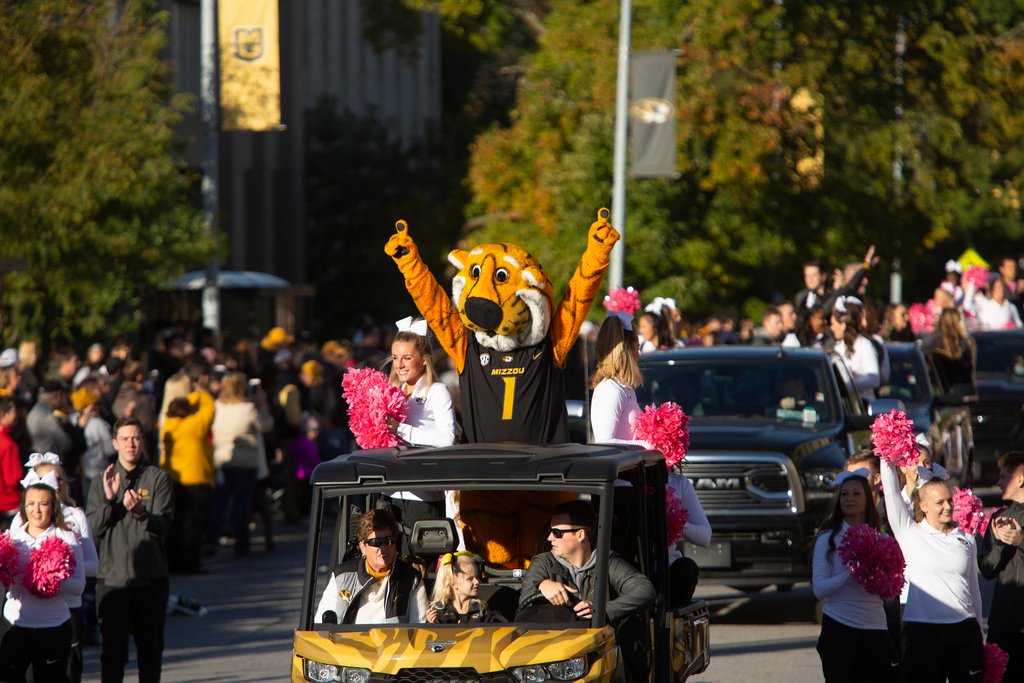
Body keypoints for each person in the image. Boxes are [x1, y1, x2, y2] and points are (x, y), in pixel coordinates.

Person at [588, 314, 711, 605]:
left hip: (634, 490)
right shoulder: (608, 389)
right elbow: (604, 443)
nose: (641, 351)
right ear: (625, 347)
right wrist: (650, 445)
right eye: (636, 344)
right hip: (617, 496)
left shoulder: (625, 388)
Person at [881, 447, 984, 681]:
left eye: (949, 500)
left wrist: (978, 632)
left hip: (964, 630)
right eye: (939, 502)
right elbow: (890, 493)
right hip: (922, 631)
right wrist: (888, 452)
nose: (947, 507)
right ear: (923, 506)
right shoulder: (909, 533)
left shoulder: (966, 538)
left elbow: (974, 590)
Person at [86, 417, 174, 683]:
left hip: (150, 580)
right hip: (112, 581)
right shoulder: (102, 480)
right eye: (124, 439)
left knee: (150, 653)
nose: (130, 444)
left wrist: (140, 512)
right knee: (112, 654)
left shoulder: (157, 478)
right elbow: (92, 529)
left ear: (143, 441)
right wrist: (110, 501)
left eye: (135, 438)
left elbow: (163, 527)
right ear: (115, 443)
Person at [11, 454, 99, 683]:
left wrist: (54, 577)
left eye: (57, 478)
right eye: (31, 504)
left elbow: (85, 576)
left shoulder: (69, 531)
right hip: (17, 622)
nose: (36, 509)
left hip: (59, 618)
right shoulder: (15, 534)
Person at [812, 470, 898, 682]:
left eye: (856, 494)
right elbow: (819, 589)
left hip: (875, 628)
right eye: (844, 494)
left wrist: (880, 577)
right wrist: (851, 571)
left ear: (867, 501)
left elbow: (889, 594)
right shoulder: (827, 539)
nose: (849, 498)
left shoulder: (883, 538)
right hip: (839, 628)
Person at [517, 500, 656, 622]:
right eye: (550, 531)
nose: (549, 538)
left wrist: (603, 611)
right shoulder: (543, 562)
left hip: (597, 645)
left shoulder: (606, 561)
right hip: (554, 645)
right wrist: (543, 585)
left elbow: (644, 589)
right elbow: (524, 600)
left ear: (581, 535)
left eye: (557, 533)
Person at [384, 318, 457, 546]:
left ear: (424, 360)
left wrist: (401, 428)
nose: (400, 365)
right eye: (395, 358)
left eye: (407, 358)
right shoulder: (391, 392)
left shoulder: (437, 391)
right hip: (391, 495)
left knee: (422, 570)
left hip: (424, 498)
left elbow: (447, 439)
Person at [314, 509, 427, 624]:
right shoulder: (342, 576)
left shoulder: (411, 579)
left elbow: (420, 628)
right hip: (348, 642)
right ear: (363, 547)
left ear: (395, 545)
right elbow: (321, 626)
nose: (383, 548)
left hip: (396, 642)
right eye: (376, 542)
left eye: (388, 541)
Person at [210, 372, 272, 557]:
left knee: (220, 502)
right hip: (246, 462)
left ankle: (211, 539)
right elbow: (266, 426)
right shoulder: (248, 409)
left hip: (222, 459)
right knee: (241, 503)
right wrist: (263, 405)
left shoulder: (217, 406)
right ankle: (241, 544)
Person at [159, 386, 215, 575]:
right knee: (194, 524)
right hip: (196, 479)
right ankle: (190, 562)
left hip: (173, 480)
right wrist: (199, 393)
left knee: (176, 523)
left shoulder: (168, 426)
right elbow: (210, 408)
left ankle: (173, 562)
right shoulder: (194, 425)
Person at [979, 451, 1024, 681]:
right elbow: (987, 569)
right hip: (1004, 620)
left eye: (1004, 477)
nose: (998, 482)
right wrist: (998, 543)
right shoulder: (1000, 517)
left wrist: (1020, 540)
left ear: (1020, 479)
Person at [426, 552, 500, 624]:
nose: (477, 581)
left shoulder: (481, 609)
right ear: (453, 584)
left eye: (477, 577)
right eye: (470, 579)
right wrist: (434, 624)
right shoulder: (439, 610)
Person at [830, 299, 880, 404]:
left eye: (834, 323)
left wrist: (849, 385)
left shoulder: (864, 345)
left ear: (843, 324)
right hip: (844, 405)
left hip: (864, 405)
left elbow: (874, 379)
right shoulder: (838, 348)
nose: (832, 328)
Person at [923, 308, 975, 393]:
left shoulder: (929, 340)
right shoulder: (962, 342)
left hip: (934, 389)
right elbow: (968, 370)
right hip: (959, 388)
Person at [0, 397, 23, 529]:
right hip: (8, 504)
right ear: (4, 414)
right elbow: (12, 479)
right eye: (14, 411)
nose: (16, 416)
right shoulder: (8, 444)